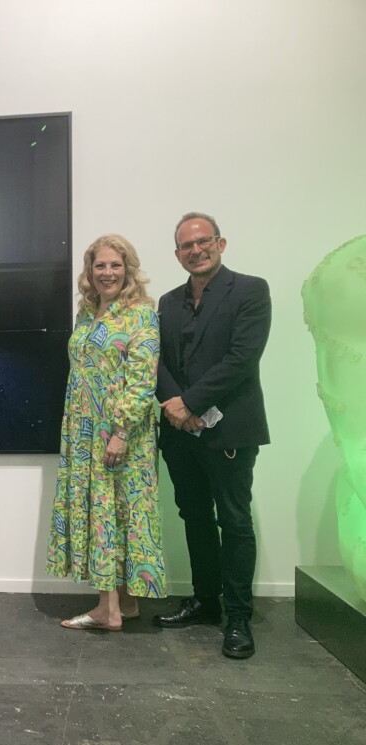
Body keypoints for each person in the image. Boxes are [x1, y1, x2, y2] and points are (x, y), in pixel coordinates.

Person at [154, 212, 271, 660]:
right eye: (186, 245)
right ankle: (206, 601)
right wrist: (175, 406)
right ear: (178, 253)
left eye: (203, 241)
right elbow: (157, 359)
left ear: (221, 244)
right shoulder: (167, 301)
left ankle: (238, 615)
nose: (196, 250)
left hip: (231, 430)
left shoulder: (250, 290)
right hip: (181, 433)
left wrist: (191, 403)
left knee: (235, 521)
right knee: (195, 516)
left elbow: (243, 358)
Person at [47, 234, 164, 630]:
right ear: (90, 270)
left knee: (112, 513)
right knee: (106, 510)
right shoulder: (87, 312)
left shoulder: (141, 314)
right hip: (83, 431)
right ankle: (124, 604)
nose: (108, 272)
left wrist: (121, 432)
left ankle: (106, 610)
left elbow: (142, 381)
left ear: (128, 269)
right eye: (100, 265)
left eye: (116, 265)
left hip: (119, 433)